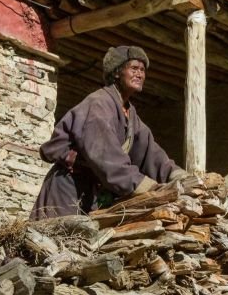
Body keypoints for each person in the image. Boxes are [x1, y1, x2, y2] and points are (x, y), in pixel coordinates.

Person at [30, 45, 187, 219]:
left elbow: (150, 152)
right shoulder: (99, 104)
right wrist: (143, 185)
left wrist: (176, 175)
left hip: (90, 192)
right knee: (60, 241)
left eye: (142, 70)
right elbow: (106, 155)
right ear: (117, 72)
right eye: (134, 68)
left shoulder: (130, 114)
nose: (140, 74)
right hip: (67, 191)